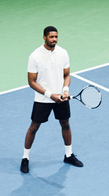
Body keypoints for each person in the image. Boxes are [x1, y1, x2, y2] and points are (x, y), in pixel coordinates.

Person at [21, 26, 83, 174]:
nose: (54, 39)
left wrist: (65, 90)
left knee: (65, 124)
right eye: (51, 37)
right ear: (44, 37)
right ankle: (25, 158)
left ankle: (68, 155)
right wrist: (50, 95)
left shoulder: (63, 53)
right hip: (43, 99)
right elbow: (32, 81)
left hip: (61, 97)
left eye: (56, 37)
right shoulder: (34, 56)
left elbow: (66, 75)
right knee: (34, 127)